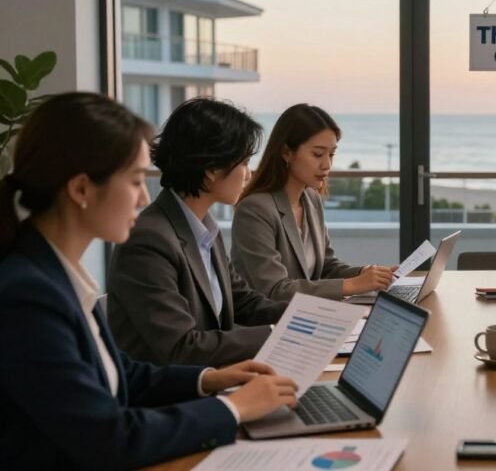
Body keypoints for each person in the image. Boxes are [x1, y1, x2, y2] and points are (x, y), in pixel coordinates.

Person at [0, 93, 298, 470]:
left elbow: (121, 373)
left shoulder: (56, 274)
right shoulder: (28, 296)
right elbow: (110, 438)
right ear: (80, 190)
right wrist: (233, 407)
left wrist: (209, 379)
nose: (143, 197)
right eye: (136, 180)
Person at [107, 98, 289, 367]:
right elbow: (183, 348)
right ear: (212, 170)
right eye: (244, 163)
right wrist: (280, 335)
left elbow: (244, 302)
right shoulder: (148, 240)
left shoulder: (203, 228)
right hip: (169, 399)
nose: (249, 175)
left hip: (210, 382)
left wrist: (314, 318)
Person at [232, 104, 396, 301]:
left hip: (308, 316)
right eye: (318, 154)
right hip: (266, 326)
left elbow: (326, 267)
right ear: (286, 152)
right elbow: (275, 289)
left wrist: (369, 274)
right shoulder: (255, 210)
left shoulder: (311, 199)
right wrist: (353, 285)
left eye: (331, 154)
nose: (327, 164)